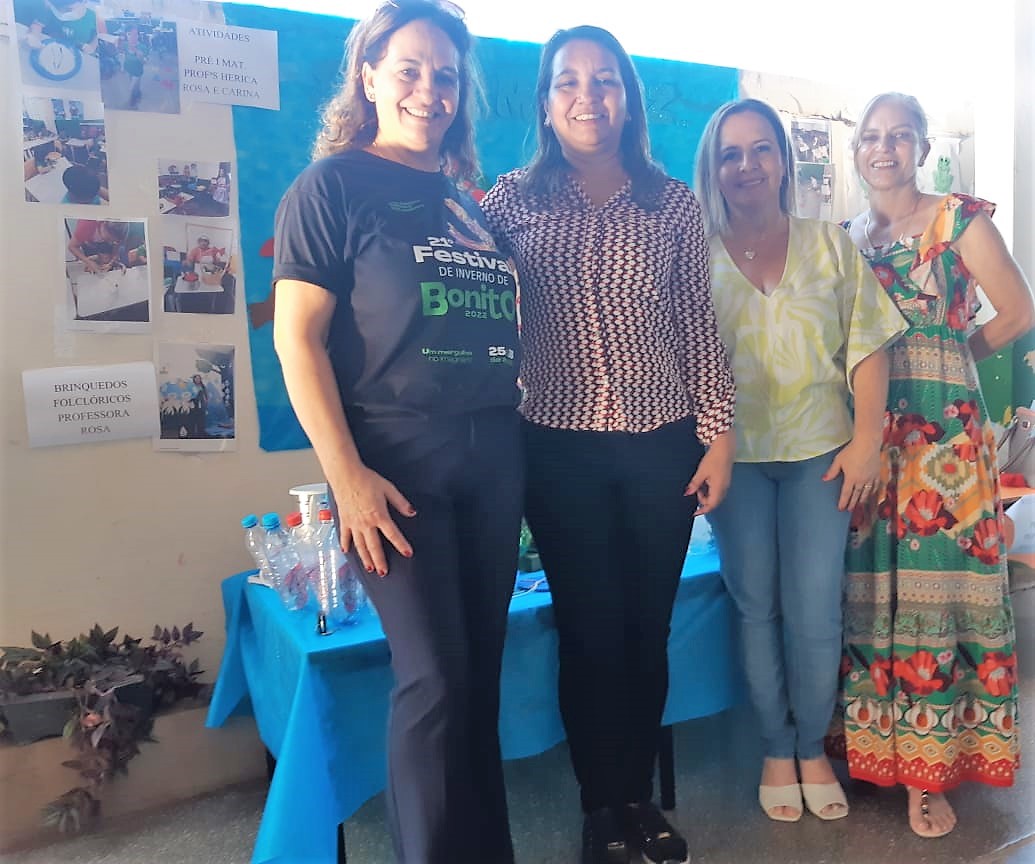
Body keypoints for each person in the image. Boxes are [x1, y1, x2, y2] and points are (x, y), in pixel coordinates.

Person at [271, 2, 523, 862]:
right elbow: (295, 340)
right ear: (369, 76)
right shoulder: (330, 187)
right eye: (409, 69)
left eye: (446, 76)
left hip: (492, 457)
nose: (429, 90)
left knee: (479, 677)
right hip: (392, 464)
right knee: (433, 683)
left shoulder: (464, 200)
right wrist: (345, 476)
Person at [482, 26, 736, 864]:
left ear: (626, 97)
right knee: (590, 631)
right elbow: (468, 312)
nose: (586, 96)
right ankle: (601, 808)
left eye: (603, 81)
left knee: (645, 630)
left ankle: (638, 800)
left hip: (660, 444)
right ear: (546, 102)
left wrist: (718, 436)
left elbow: (696, 326)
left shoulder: (672, 205)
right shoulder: (509, 200)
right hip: (556, 451)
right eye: (567, 82)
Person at [693, 98, 906, 824]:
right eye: (730, 153)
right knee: (756, 607)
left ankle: (812, 745)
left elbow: (868, 343)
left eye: (760, 149)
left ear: (783, 159)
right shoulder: (694, 252)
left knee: (814, 611)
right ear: (713, 168)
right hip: (735, 461)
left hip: (822, 455)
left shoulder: (829, 244)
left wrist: (866, 440)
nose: (746, 165)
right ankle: (774, 747)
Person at [832, 92, 1034, 839]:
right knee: (872, 591)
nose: (883, 149)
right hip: (868, 439)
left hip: (945, 451)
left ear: (920, 147)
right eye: (871, 137)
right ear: (855, 152)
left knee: (945, 592)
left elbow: (1015, 311)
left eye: (899, 137)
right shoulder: (847, 238)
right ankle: (878, 751)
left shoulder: (957, 220)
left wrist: (951, 357)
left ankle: (935, 770)